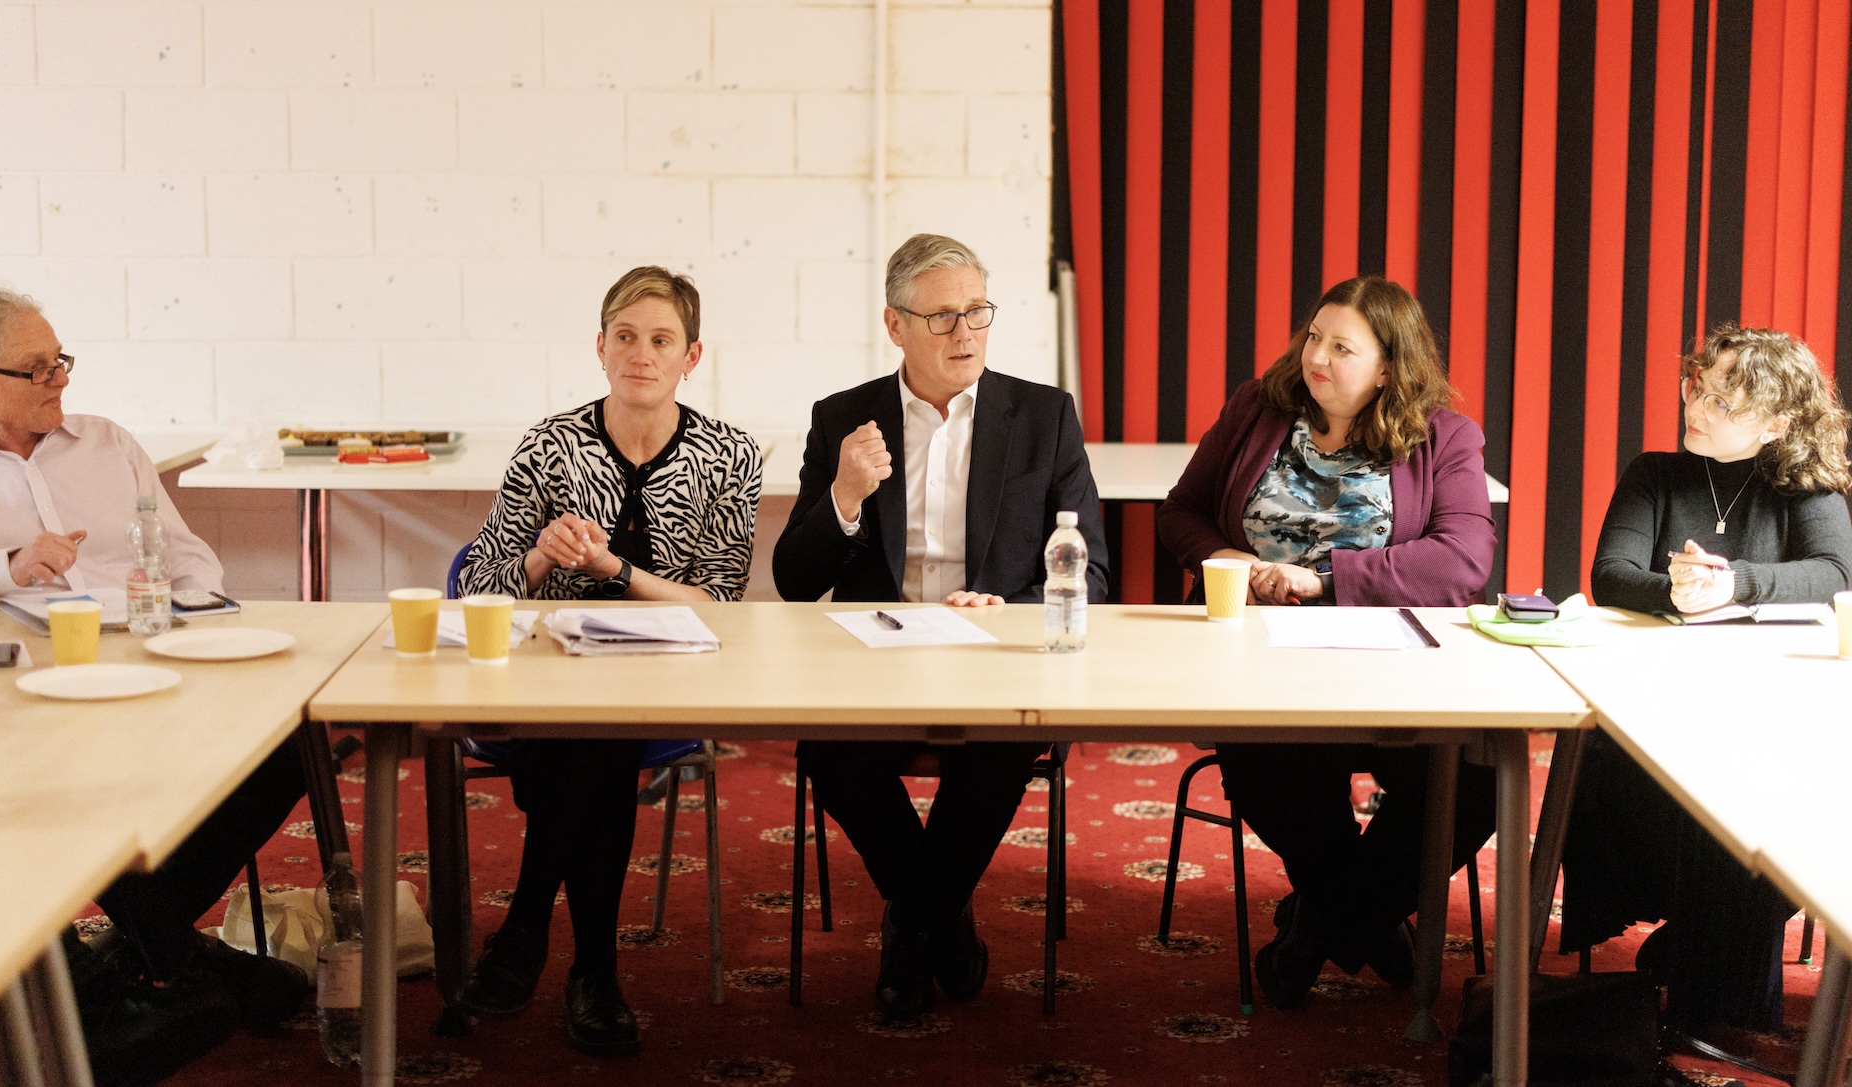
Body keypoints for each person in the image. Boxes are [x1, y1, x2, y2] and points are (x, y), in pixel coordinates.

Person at [0, 289, 307, 1078]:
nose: (60, 378)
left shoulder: (108, 443)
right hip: (27, 698)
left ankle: (141, 951)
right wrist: (6, 566)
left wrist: (191, 613)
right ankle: (170, 957)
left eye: (60, 359)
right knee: (73, 781)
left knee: (290, 744)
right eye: (36, 368)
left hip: (154, 665)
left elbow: (188, 553)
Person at [772, 233, 1108, 1018]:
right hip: (874, 661)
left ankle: (913, 930)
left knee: (1004, 744)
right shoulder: (843, 419)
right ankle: (942, 919)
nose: (966, 333)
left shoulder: (1044, 416)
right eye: (942, 317)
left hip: (994, 658)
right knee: (828, 748)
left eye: (977, 312)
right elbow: (793, 581)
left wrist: (1013, 607)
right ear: (895, 325)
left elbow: (1090, 572)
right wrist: (844, 497)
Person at [1155, 274, 1496, 1009]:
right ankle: (1366, 922)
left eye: (1343, 348)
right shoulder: (1258, 408)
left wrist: (1325, 580)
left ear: (1388, 368)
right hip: (1257, 655)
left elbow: (1465, 558)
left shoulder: (1444, 434)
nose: (1316, 357)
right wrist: (1234, 561)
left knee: (1477, 779)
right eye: (1315, 337)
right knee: (1268, 760)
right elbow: (1180, 513)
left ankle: (1323, 924)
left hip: (1393, 662)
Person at [453, 266, 762, 1055]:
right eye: (625, 336)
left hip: (672, 675)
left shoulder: (729, 455)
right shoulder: (550, 445)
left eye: (661, 339)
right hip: (548, 676)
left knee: (595, 739)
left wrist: (615, 572)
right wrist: (538, 556)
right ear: (600, 346)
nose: (641, 354)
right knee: (592, 741)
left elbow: (721, 603)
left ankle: (528, 928)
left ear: (692, 356)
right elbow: (478, 586)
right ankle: (593, 973)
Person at [1562, 324, 1852, 1033]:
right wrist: (1678, 592)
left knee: (1776, 789)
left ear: (1777, 421)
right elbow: (1611, 576)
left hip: (1777, 711)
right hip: (1656, 709)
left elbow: (1836, 574)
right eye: (1699, 386)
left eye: (1725, 399)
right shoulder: (1655, 473)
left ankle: (1709, 986)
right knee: (1680, 785)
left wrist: (1734, 584)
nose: (1697, 406)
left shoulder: (1803, 484)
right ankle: (1710, 980)